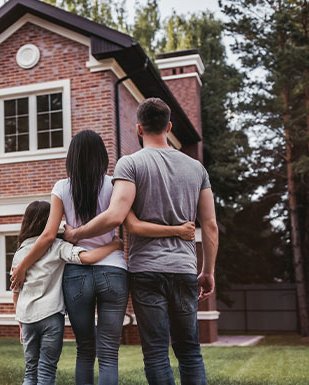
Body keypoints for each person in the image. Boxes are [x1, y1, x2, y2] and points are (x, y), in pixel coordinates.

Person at [11, 129, 195, 385]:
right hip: (113, 272)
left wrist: (23, 266)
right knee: (109, 354)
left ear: (71, 157)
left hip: (76, 274)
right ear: (102, 156)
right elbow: (130, 222)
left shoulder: (61, 187)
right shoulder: (114, 185)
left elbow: (47, 236)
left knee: (85, 350)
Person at [63, 98, 219, 385]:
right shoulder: (197, 168)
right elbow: (209, 224)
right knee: (190, 350)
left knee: (156, 352)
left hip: (146, 270)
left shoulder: (131, 164)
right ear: (169, 127)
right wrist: (207, 271)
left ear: (138, 128)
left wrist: (76, 234)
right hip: (184, 268)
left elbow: (115, 217)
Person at [12, 200, 123, 385]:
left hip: (27, 318)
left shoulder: (20, 252)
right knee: (47, 370)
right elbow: (87, 258)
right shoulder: (57, 246)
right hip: (50, 317)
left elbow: (15, 291)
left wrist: (20, 322)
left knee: (30, 372)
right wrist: (115, 245)